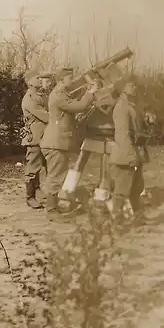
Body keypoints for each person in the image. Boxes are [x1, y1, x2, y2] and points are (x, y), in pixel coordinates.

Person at [40, 67, 98, 218]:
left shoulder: (62, 94)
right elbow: (78, 106)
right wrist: (91, 92)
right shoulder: (59, 95)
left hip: (57, 142)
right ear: (60, 81)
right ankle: (51, 211)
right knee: (55, 176)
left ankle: (53, 208)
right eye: (69, 78)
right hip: (56, 143)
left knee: (56, 175)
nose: (72, 81)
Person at [108, 77, 150, 220]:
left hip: (134, 152)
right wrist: (131, 156)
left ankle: (138, 218)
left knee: (136, 187)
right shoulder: (121, 107)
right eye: (130, 85)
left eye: (134, 85)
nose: (134, 87)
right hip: (125, 154)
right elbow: (122, 134)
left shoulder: (130, 105)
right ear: (122, 89)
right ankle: (115, 220)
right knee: (122, 189)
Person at [21, 69, 53, 209]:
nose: (40, 80)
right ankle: (30, 197)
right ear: (30, 82)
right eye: (37, 78)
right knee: (33, 167)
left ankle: (38, 190)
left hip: (44, 137)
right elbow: (47, 117)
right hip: (34, 138)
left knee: (46, 165)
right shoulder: (30, 99)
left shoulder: (41, 95)